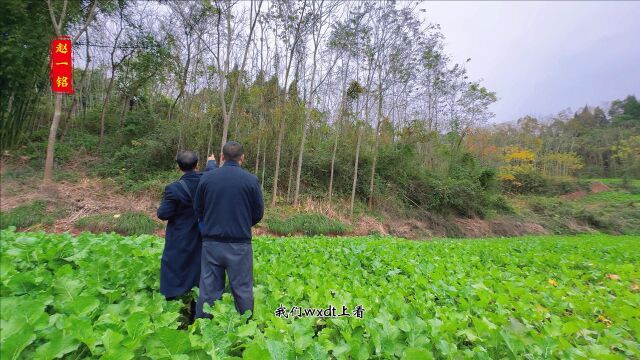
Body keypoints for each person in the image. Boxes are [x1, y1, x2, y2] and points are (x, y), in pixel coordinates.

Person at [194, 141, 264, 318]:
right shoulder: (251, 180)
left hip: (211, 243)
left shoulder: (207, 178)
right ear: (242, 158)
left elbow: (198, 209)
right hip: (240, 244)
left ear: (222, 157)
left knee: (208, 289)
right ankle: (245, 331)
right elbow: (258, 213)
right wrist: (241, 224)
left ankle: (204, 331)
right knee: (242, 289)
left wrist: (210, 224)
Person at [157, 150, 217, 318]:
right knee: (198, 273)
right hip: (201, 237)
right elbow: (210, 173)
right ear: (197, 165)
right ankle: (195, 311)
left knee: (173, 271)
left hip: (179, 239)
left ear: (179, 167)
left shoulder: (173, 189)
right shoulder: (206, 183)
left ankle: (172, 312)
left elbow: (163, 214)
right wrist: (212, 163)